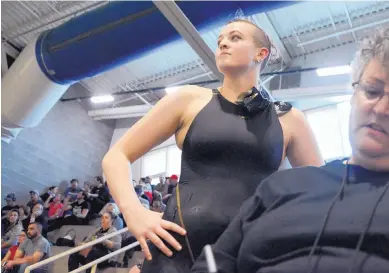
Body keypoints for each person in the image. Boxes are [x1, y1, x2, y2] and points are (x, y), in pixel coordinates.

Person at [103, 18, 324, 273]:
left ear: (261, 53)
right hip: (176, 250)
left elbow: (321, 194)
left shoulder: (289, 119)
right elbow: (116, 156)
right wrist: (133, 212)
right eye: (220, 41)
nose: (223, 44)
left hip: (247, 253)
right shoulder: (188, 100)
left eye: (235, 38)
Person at [192, 27, 389, 273]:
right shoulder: (280, 187)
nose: (381, 109)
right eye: (372, 91)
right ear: (352, 95)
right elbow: (213, 263)